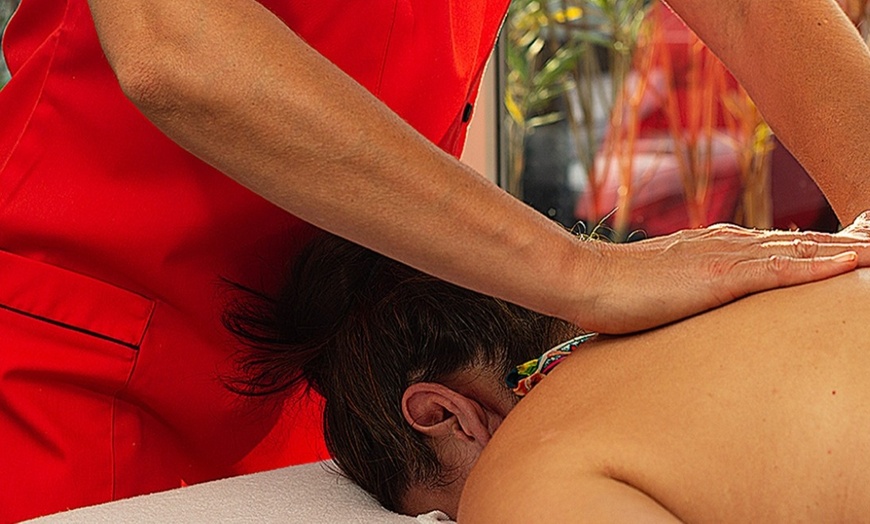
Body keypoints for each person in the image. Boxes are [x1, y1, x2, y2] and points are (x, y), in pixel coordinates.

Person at [1, 0, 869, 522]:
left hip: (338, 352)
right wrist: (583, 273)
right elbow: (175, 45)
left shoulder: (530, 462)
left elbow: (757, 9)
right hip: (85, 338)